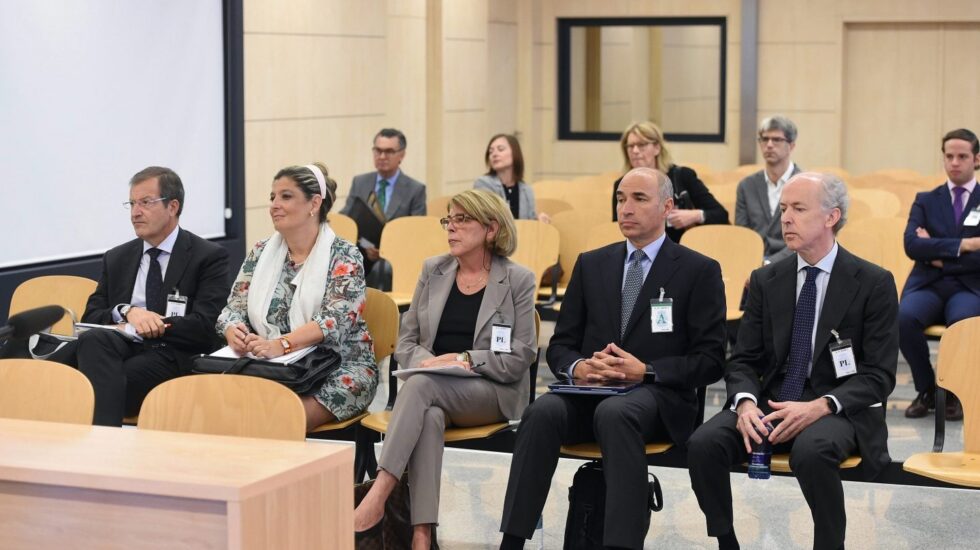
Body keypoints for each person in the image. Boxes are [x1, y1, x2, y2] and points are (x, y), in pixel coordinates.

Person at [499, 167, 727, 550]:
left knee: (616, 414)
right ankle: (512, 541)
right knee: (540, 413)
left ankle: (621, 546)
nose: (626, 208)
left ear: (668, 207)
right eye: (621, 199)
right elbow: (560, 345)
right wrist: (579, 367)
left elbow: (711, 360)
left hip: (659, 398)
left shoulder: (698, 270)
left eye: (639, 199)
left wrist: (647, 371)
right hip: (592, 395)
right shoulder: (592, 264)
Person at [687, 172, 899, 550]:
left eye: (798, 209)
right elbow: (743, 361)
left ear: (831, 217)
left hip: (836, 406)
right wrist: (746, 403)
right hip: (771, 400)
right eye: (783, 208)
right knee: (704, 444)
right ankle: (726, 541)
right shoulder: (766, 280)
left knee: (812, 452)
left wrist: (820, 406)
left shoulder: (873, 282)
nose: (785, 218)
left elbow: (879, 375)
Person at [354, 189, 537, 550]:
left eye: (462, 220)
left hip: (492, 389)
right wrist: (430, 364)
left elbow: (522, 354)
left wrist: (465, 360)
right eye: (448, 220)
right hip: (434, 387)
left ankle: (376, 497)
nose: (450, 228)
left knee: (420, 389)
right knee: (431, 415)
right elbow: (406, 342)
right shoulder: (433, 269)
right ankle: (422, 535)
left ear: (490, 229)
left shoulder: (518, 279)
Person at [216, 163, 377, 431]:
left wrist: (282, 344)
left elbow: (334, 321)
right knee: (216, 410)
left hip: (337, 368)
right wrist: (235, 330)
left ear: (314, 203)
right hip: (271, 365)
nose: (274, 205)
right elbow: (232, 309)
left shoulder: (344, 255)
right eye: (272, 197)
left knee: (276, 422)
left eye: (286, 196)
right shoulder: (260, 252)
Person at [67, 166, 229, 426]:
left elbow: (207, 325)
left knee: (98, 381)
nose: (135, 213)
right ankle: (104, 440)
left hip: (171, 351)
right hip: (120, 346)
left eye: (145, 203)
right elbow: (92, 316)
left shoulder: (207, 256)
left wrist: (153, 324)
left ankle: (100, 444)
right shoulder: (117, 257)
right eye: (131, 203)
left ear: (173, 206)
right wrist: (128, 311)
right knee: (93, 342)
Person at [899, 128, 980, 421]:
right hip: (928, 285)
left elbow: (925, 247)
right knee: (904, 318)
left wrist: (937, 255)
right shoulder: (926, 199)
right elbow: (912, 245)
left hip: (969, 288)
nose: (954, 162)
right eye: (949, 156)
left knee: (962, 323)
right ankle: (927, 390)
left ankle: (956, 393)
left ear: (977, 159)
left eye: (962, 156)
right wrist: (966, 245)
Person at [611, 121, 728, 243]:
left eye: (641, 145)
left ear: (657, 148)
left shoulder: (683, 176)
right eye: (630, 146)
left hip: (681, 250)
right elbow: (616, 230)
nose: (635, 151)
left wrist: (695, 216)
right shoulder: (621, 185)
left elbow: (721, 215)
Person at [340, 128, 427, 278]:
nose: (382, 156)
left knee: (384, 268)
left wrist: (386, 250)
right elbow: (347, 219)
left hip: (396, 256)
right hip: (361, 250)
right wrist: (366, 247)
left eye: (389, 151)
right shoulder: (360, 182)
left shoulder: (415, 189)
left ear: (402, 155)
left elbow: (416, 234)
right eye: (378, 150)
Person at [735, 116, 803, 262]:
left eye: (777, 140)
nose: (769, 145)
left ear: (791, 146)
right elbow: (743, 234)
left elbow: (806, 238)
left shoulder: (806, 186)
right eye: (764, 139)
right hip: (752, 262)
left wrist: (769, 264)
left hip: (793, 263)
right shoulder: (747, 186)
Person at [474, 133, 550, 223]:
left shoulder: (526, 189)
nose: (494, 154)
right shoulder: (483, 184)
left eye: (500, 149)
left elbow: (530, 222)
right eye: (491, 152)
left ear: (515, 153)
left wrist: (538, 220)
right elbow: (489, 220)